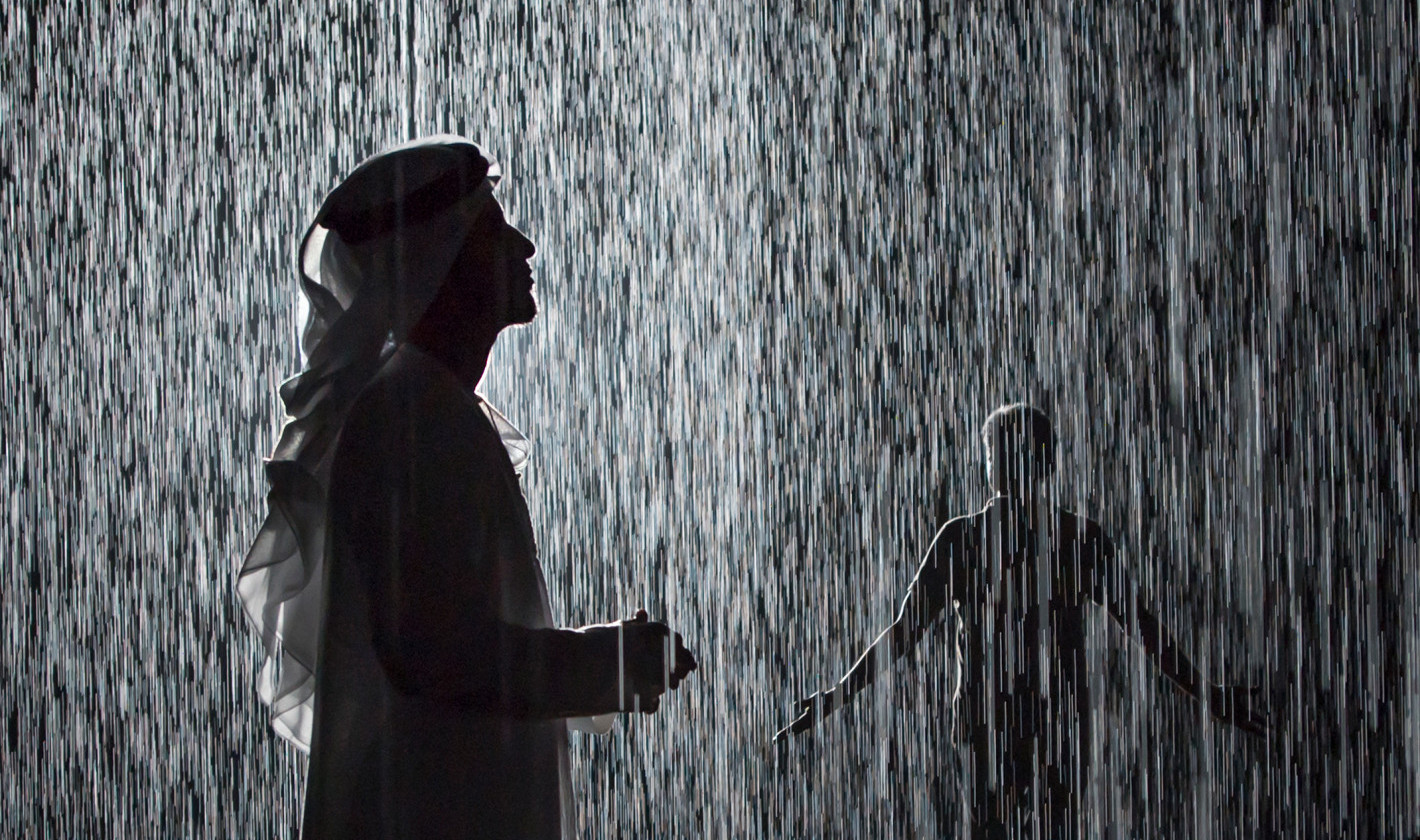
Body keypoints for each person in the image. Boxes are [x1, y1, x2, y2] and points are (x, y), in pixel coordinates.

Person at [237, 136, 696, 839]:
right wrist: (605, 665)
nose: (525, 246)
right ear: (437, 262)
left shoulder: (429, 410)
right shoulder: (408, 418)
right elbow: (435, 654)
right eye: (492, 231)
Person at [776, 404, 1267, 838]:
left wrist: (837, 696)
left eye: (1006, 455)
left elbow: (904, 632)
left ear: (1036, 464)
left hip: (1001, 719)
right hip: (1043, 717)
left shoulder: (976, 539)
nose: (1002, 465)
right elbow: (1144, 628)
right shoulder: (1072, 539)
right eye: (997, 455)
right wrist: (1207, 694)